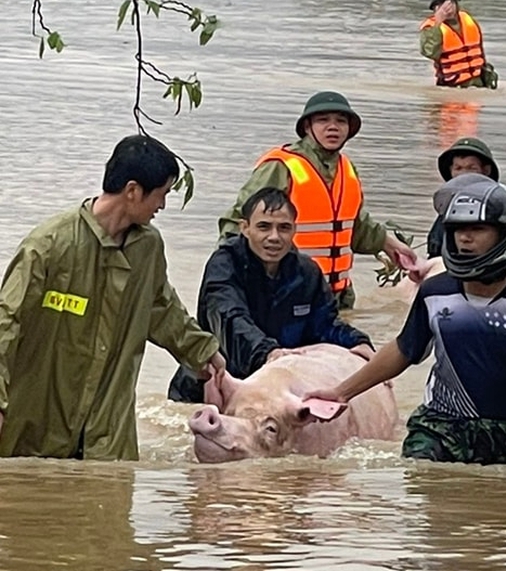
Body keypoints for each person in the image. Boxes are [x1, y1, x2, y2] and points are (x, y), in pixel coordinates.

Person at [304, 173, 506, 465]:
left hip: (501, 433)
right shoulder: (435, 292)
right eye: (458, 229)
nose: (465, 237)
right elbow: (404, 350)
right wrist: (341, 392)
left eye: (477, 228)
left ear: (505, 233)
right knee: (425, 483)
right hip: (436, 425)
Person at [0, 135, 225, 460]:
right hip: (36, 424)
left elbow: (160, 308)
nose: (161, 205)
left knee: (109, 505)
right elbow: (6, 320)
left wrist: (203, 351)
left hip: (108, 436)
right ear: (133, 191)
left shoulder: (147, 247)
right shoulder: (49, 245)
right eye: (160, 195)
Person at [169, 187, 374, 403]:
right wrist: (268, 353)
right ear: (245, 228)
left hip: (273, 390)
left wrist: (358, 342)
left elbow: (325, 326)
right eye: (264, 227)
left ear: (295, 230)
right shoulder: (224, 265)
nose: (274, 237)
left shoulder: (307, 273)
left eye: (284, 228)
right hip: (208, 390)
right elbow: (230, 319)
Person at [218, 91, 416, 309]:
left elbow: (356, 227)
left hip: (336, 299)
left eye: (341, 121)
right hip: (284, 295)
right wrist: (226, 281)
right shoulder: (281, 166)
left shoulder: (347, 169)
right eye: (323, 120)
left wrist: (392, 246)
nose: (333, 127)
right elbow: (239, 221)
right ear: (306, 127)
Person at [426, 137, 499, 258]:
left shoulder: (497, 207)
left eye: (472, 168)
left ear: (486, 171)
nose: (463, 174)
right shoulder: (446, 209)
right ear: (451, 171)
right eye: (458, 168)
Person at [419, 0, 498, 89]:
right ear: (435, 9)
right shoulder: (431, 27)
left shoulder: (467, 19)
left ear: (456, 4)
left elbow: (480, 50)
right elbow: (429, 52)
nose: (447, 9)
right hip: (452, 86)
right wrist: (438, 23)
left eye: (450, 4)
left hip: (479, 83)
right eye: (441, 6)